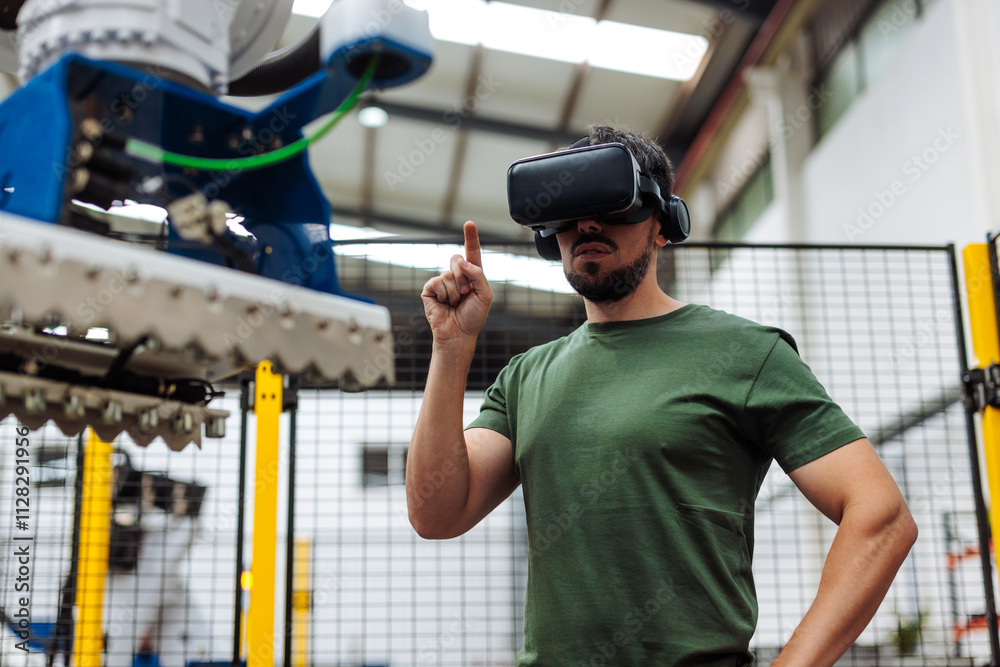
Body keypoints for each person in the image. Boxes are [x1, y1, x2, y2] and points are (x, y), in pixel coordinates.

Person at [406, 125, 917, 666]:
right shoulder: (525, 378)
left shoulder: (745, 354)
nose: (587, 224)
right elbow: (436, 514)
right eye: (570, 208)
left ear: (662, 225)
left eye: (611, 201)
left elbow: (880, 515)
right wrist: (452, 346)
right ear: (547, 234)